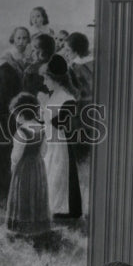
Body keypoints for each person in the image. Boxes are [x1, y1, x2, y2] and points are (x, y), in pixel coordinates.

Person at [39, 54, 83, 219]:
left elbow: (63, 124)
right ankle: (49, 208)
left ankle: (60, 210)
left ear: (55, 79)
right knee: (49, 174)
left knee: (58, 176)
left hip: (61, 144)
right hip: (50, 142)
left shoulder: (67, 98)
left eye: (46, 79)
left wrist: (44, 107)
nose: (44, 83)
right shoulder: (54, 95)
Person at [5, 93, 50, 237]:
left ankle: (22, 227)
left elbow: (16, 155)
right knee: (36, 193)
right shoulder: (42, 129)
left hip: (24, 168)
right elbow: (43, 151)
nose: (15, 117)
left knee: (23, 193)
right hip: (38, 166)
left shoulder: (21, 132)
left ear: (21, 114)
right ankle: (38, 225)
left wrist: (13, 165)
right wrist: (37, 160)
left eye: (15, 114)